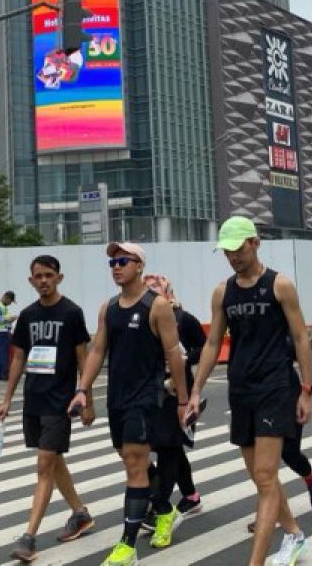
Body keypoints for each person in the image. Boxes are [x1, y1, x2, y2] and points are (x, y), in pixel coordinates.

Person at [187, 216, 312, 566]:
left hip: (275, 386)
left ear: (255, 243)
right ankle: (294, 534)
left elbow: (302, 337)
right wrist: (196, 390)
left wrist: (306, 389)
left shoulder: (280, 285)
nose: (232, 257)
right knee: (262, 478)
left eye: (237, 249)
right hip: (240, 389)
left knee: (264, 474)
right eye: (226, 252)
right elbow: (213, 343)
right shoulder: (222, 292)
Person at [67, 242, 188, 566]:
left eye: (122, 261)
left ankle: (127, 547)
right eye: (112, 262)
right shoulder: (109, 308)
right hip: (117, 399)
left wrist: (183, 398)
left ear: (139, 266)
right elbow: (96, 351)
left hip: (145, 398)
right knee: (128, 457)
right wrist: (82, 389)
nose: (116, 266)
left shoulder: (157, 305)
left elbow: (174, 353)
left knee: (135, 466)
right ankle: (165, 510)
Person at [0, 254, 96, 563]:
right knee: (54, 462)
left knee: (44, 466)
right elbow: (18, 359)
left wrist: (87, 399)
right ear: (31, 280)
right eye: (38, 276)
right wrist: (7, 398)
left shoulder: (72, 313)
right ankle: (80, 514)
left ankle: (29, 538)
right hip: (34, 399)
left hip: (60, 401)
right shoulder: (26, 315)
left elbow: (84, 358)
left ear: (59, 277)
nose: (43, 281)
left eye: (49, 275)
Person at [138, 273, 209, 545]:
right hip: (151, 392)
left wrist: (182, 360)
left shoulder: (183, 317)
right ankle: (190, 496)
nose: (152, 297)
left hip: (177, 391)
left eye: (156, 291)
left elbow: (203, 347)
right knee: (170, 446)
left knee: (169, 447)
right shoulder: (143, 316)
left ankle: (160, 504)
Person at [0, 291, 18, 381]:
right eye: (10, 301)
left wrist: (10, 320)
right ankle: (3, 375)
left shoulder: (2, 307)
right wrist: (9, 319)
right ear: (6, 298)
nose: (10, 304)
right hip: (1, 332)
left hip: (2, 332)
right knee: (3, 354)